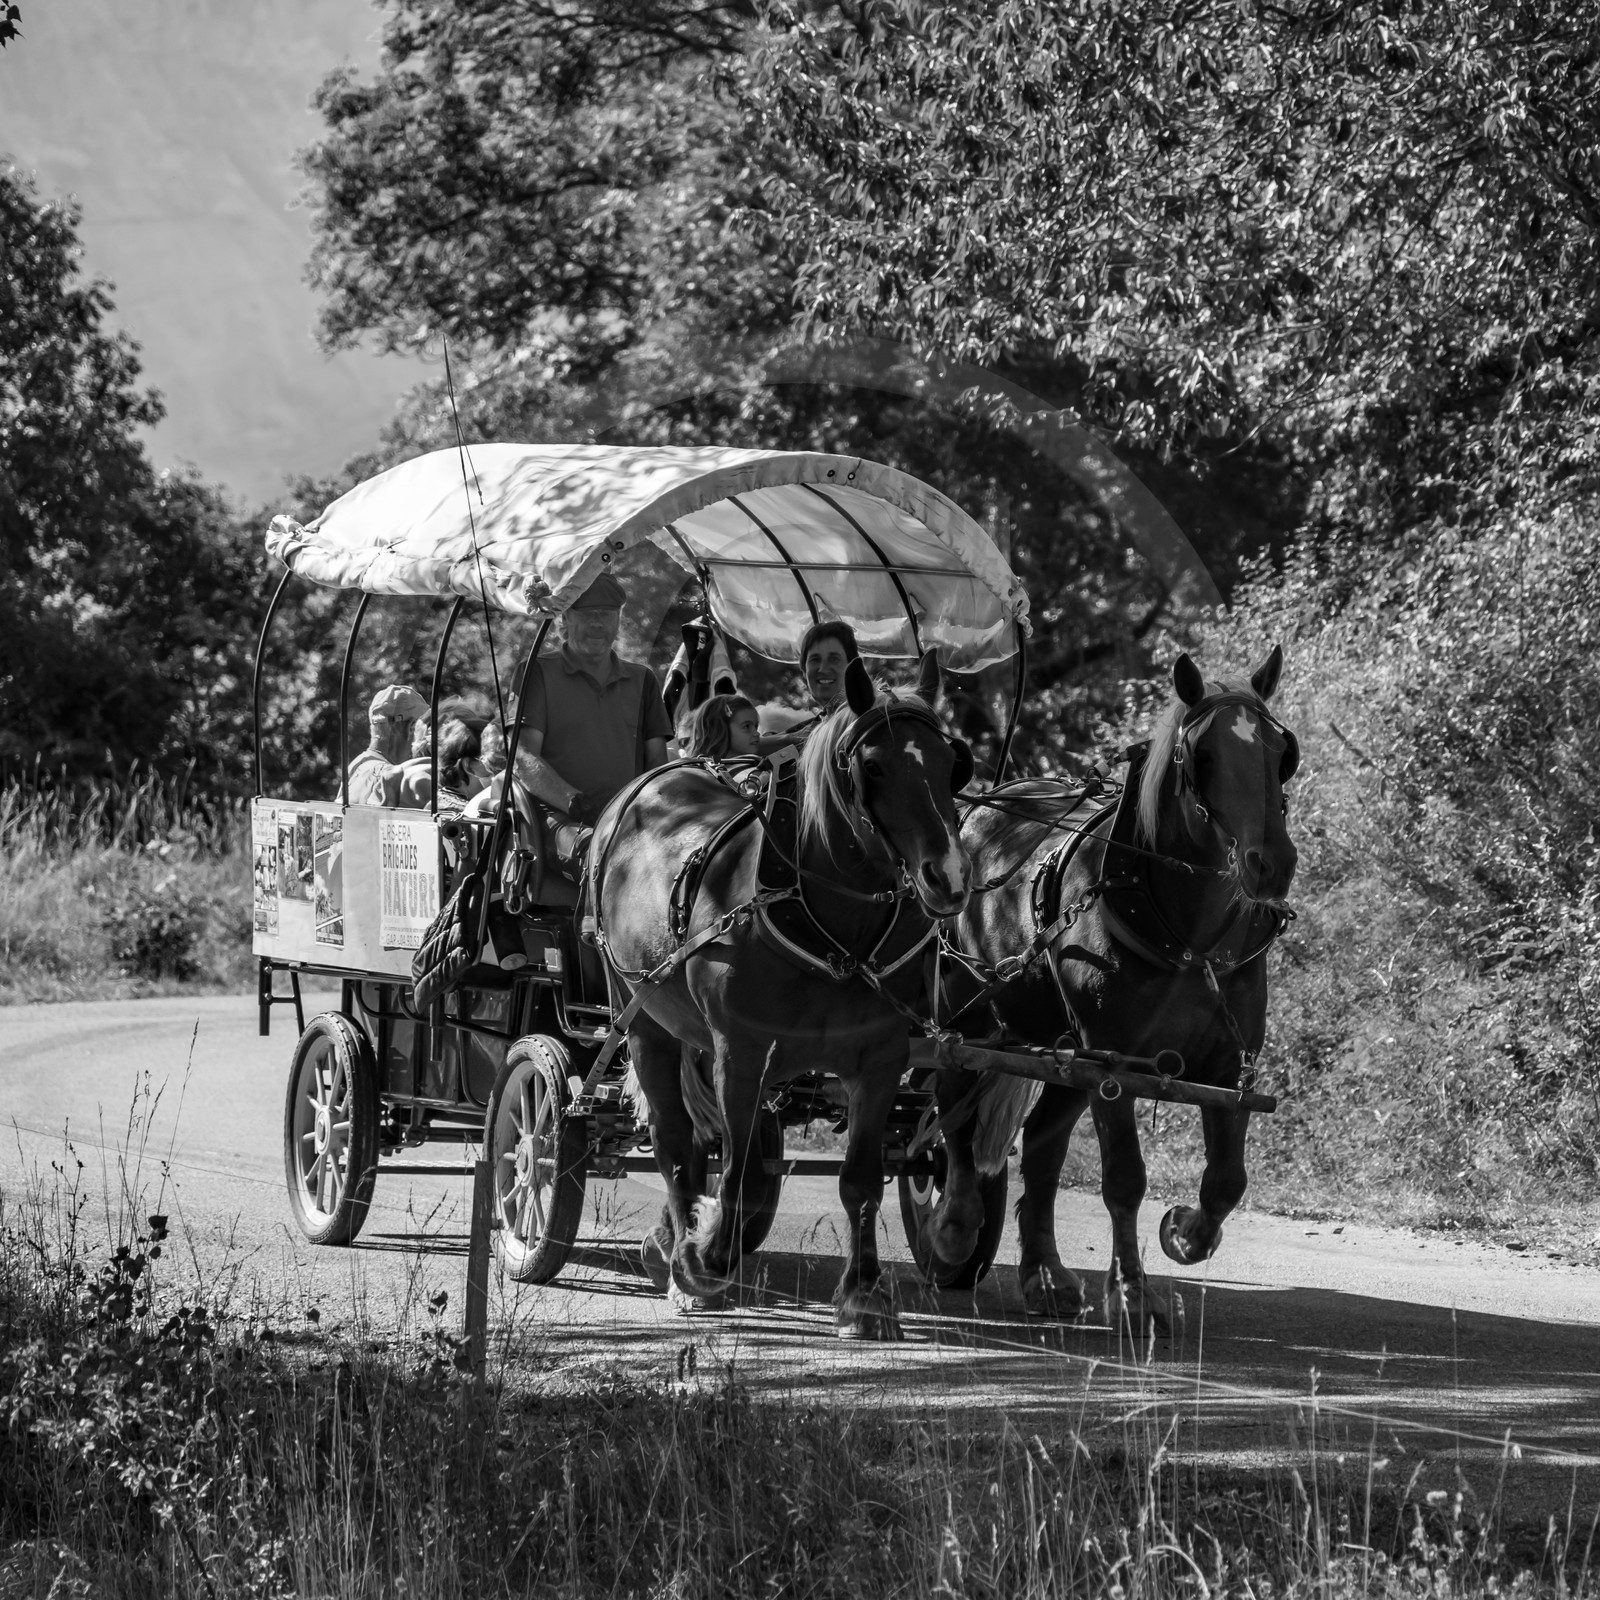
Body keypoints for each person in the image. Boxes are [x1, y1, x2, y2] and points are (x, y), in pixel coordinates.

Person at [517, 571, 672, 875]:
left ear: (618, 620)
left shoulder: (642, 680)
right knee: (608, 856)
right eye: (587, 615)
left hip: (630, 817)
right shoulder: (537, 672)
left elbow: (657, 765)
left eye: (607, 614)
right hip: (561, 821)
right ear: (566, 619)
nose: (598, 624)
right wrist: (577, 803)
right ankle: (591, 924)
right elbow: (523, 758)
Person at [754, 618, 863, 755]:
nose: (823, 668)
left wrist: (786, 741)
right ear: (804, 672)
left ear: (853, 667)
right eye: (815, 660)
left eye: (834, 659)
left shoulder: (866, 722)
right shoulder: (820, 720)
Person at [346, 684, 429, 805]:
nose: (426, 738)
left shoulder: (357, 765)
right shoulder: (393, 777)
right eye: (426, 728)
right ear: (412, 727)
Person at [681, 693, 761, 761]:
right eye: (747, 726)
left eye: (756, 726)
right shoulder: (698, 774)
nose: (757, 733)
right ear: (718, 729)